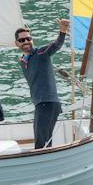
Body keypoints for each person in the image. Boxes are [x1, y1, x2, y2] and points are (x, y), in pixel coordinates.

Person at [17, 20, 70, 149]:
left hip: (48, 103)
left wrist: (62, 31)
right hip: (40, 104)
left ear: (32, 40)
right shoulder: (23, 61)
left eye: (28, 38)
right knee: (42, 141)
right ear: (17, 43)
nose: (26, 42)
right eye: (22, 40)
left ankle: (43, 167)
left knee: (42, 145)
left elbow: (56, 45)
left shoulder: (41, 53)